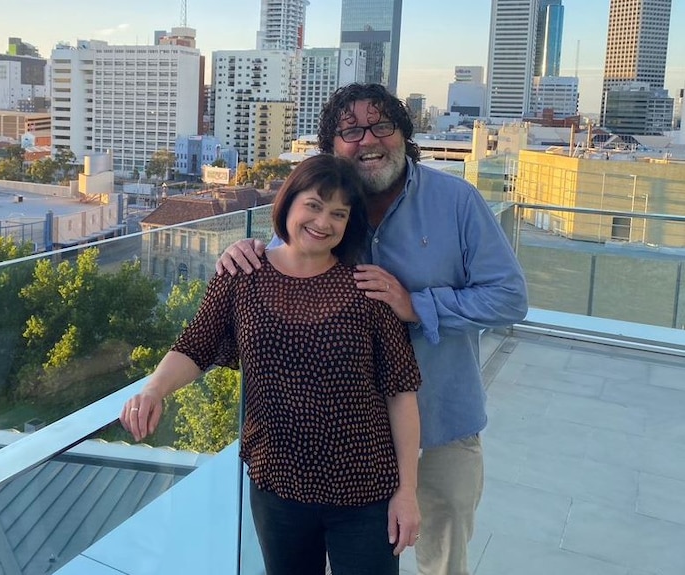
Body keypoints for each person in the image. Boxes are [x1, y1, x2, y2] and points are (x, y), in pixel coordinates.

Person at [216, 83, 529, 575]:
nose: (368, 140)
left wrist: (417, 305)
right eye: (351, 130)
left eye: (382, 125)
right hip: (345, 446)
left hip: (440, 426)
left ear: (404, 134)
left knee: (443, 562)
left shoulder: (457, 202)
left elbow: (510, 296)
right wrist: (244, 251)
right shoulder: (327, 213)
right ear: (332, 146)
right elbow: (289, 260)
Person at [121, 153, 423, 575]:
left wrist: (406, 492)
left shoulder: (366, 289)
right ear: (289, 203)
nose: (323, 222)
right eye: (314, 206)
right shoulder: (242, 273)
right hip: (278, 486)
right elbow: (195, 346)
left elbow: (401, 393)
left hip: (365, 490)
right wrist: (153, 389)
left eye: (338, 213)